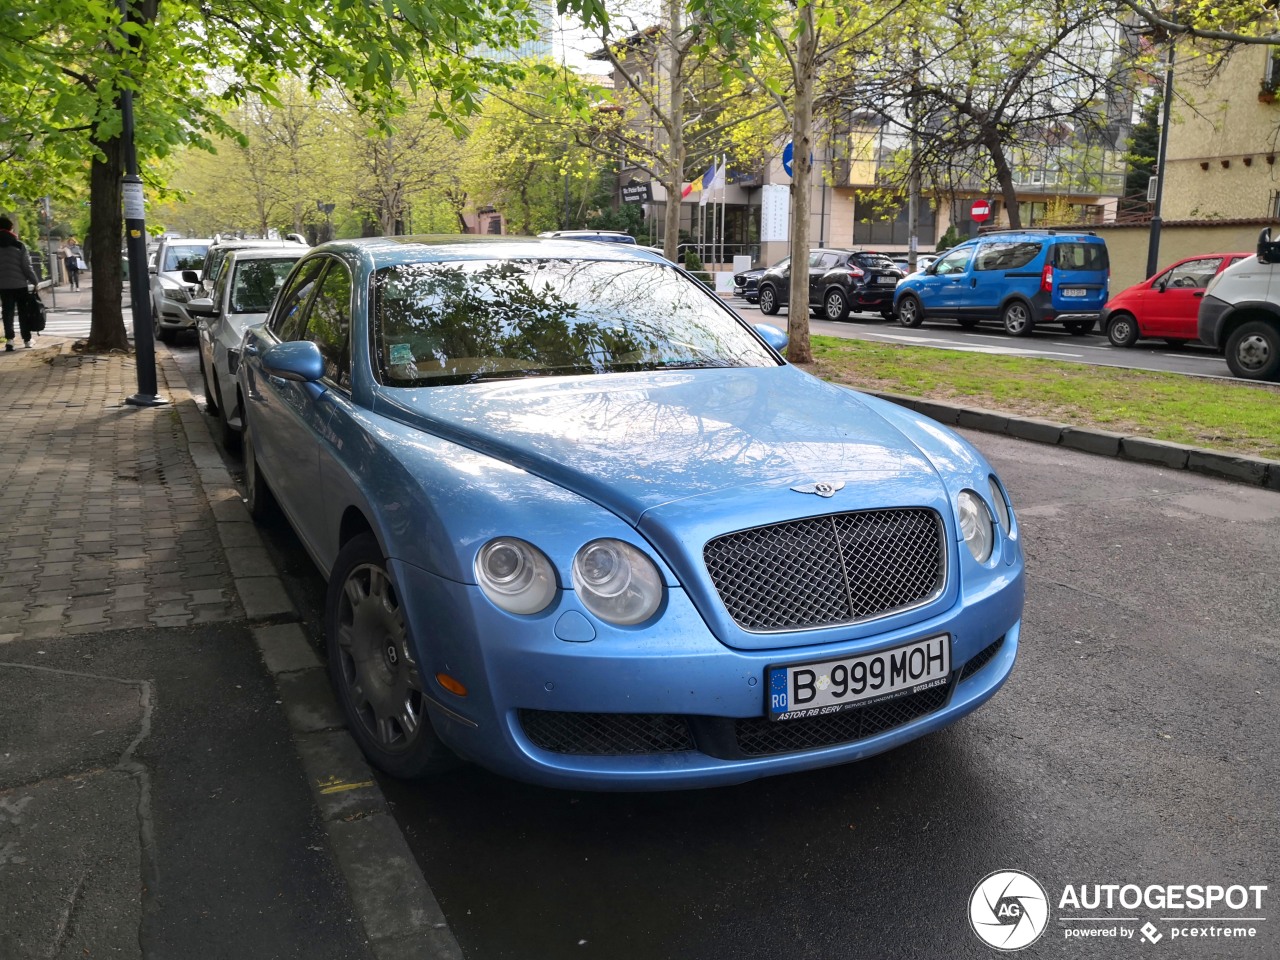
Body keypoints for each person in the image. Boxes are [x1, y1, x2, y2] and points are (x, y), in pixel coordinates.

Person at [0, 216, 39, 351]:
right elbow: (26, 266)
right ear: (10, 228)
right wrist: (34, 281)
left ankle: (10, 341)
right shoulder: (19, 245)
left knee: (7, 312)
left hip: (3, 286)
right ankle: (27, 340)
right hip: (19, 285)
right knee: (23, 312)